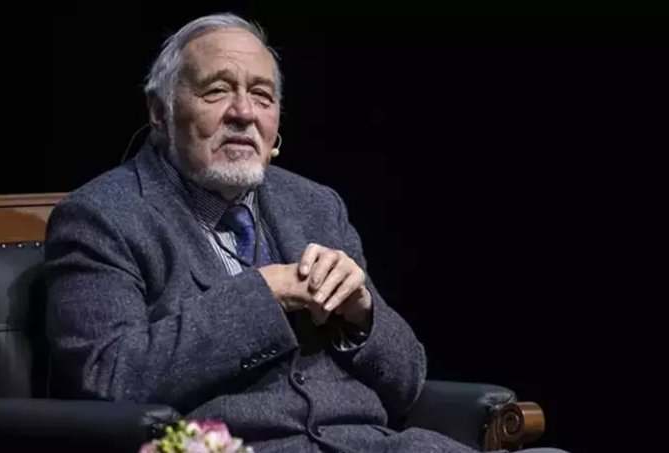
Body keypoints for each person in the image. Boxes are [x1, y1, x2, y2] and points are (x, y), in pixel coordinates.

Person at [44, 13, 567, 453]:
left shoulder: (314, 205)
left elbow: (407, 382)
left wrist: (362, 316)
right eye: (217, 91)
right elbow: (109, 379)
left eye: (262, 96)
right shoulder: (103, 216)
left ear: (276, 125)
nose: (243, 113)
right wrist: (263, 295)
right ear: (161, 112)